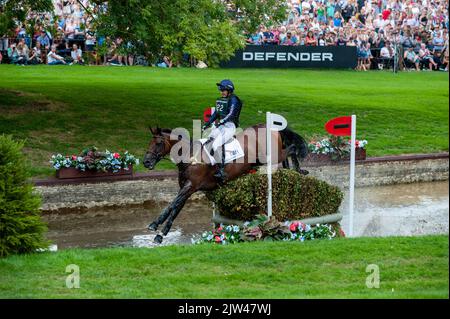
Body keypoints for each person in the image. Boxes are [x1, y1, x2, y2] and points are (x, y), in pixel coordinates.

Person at [202, 80, 243, 182]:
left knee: (216, 145)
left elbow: (232, 113)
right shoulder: (222, 99)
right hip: (222, 126)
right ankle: (210, 165)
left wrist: (222, 121)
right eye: (221, 90)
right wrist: (207, 124)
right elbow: (216, 113)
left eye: (223, 90)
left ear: (229, 90)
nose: (221, 92)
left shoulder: (234, 100)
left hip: (230, 127)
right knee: (208, 141)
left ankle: (221, 171)